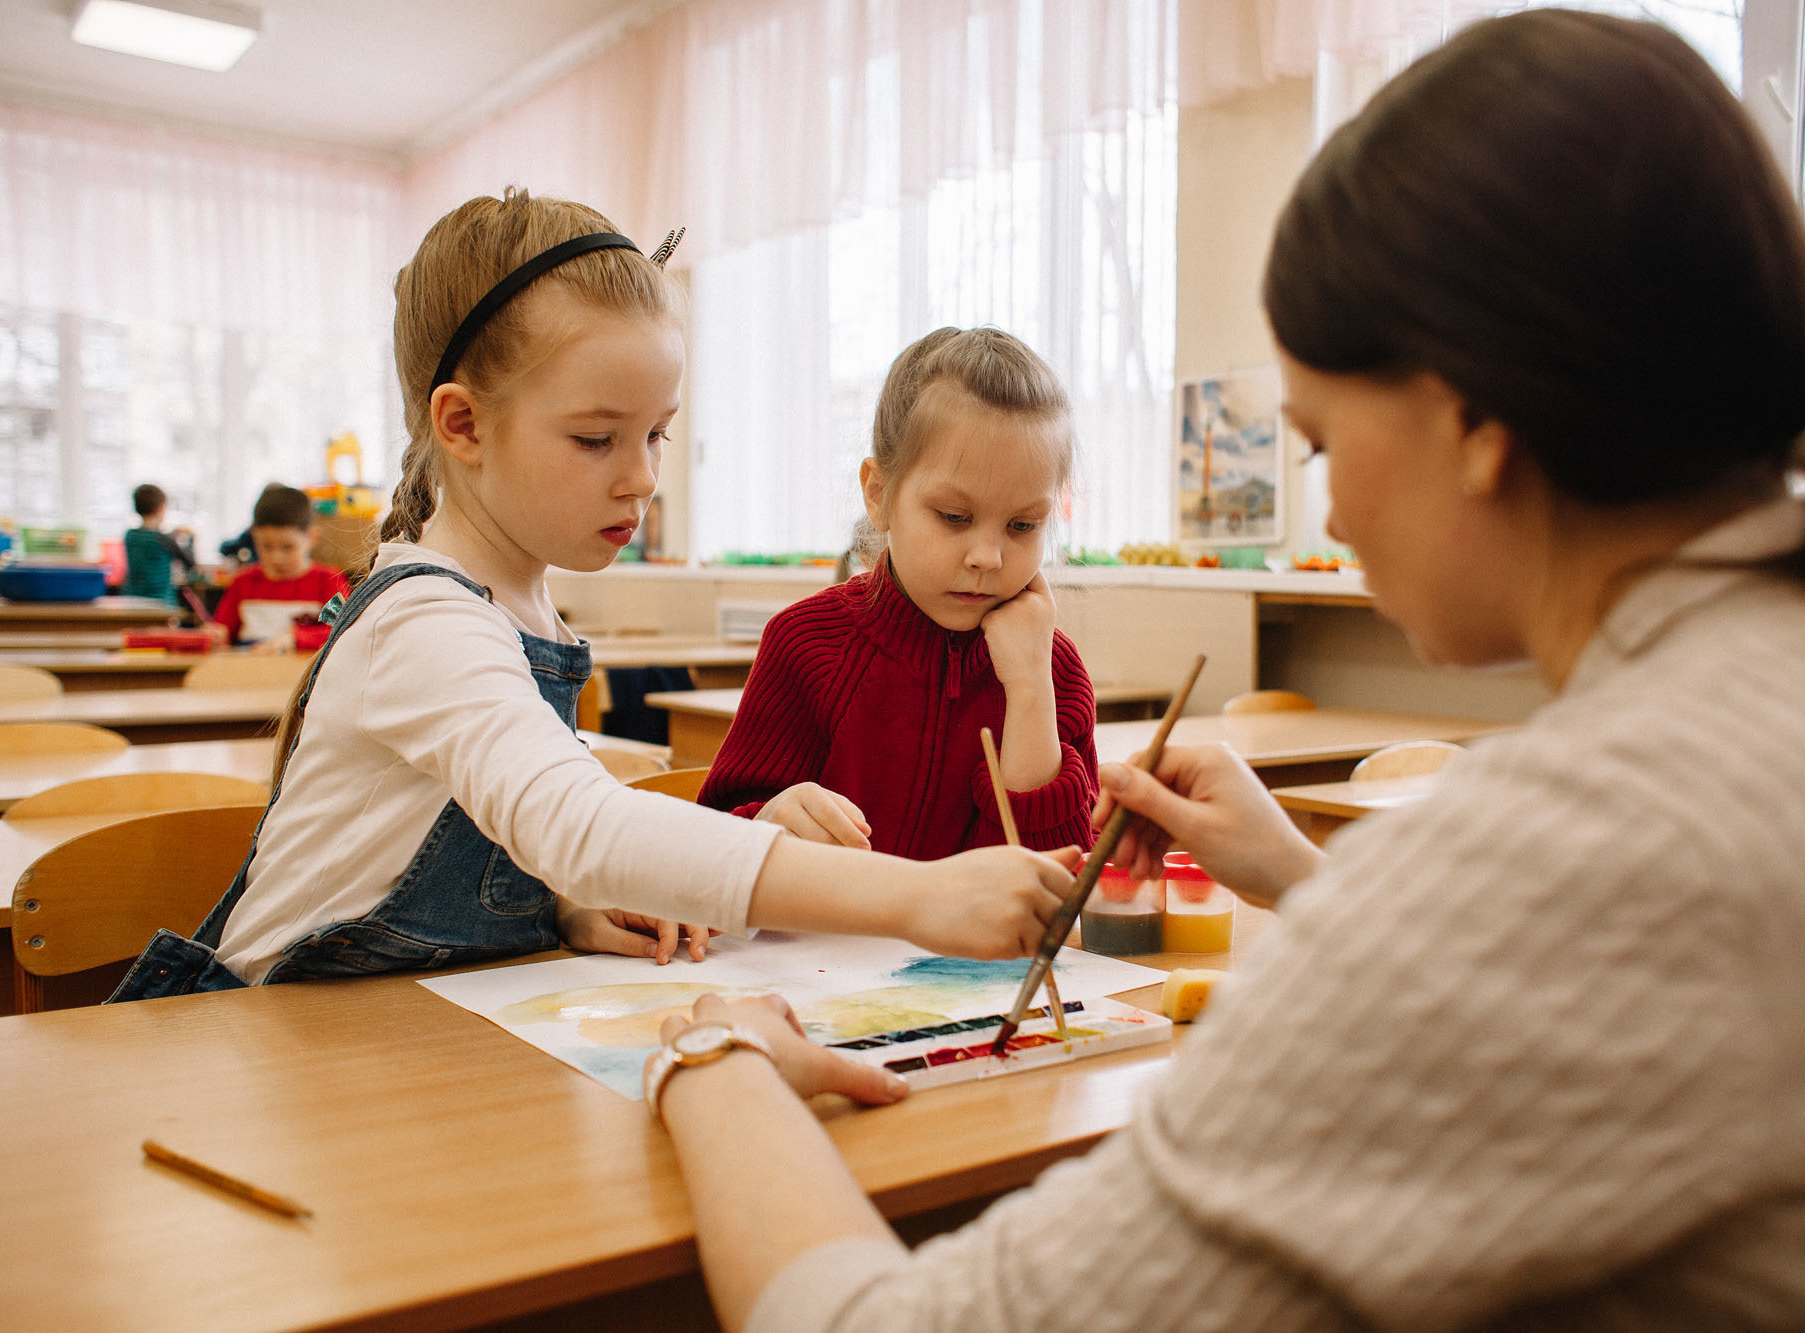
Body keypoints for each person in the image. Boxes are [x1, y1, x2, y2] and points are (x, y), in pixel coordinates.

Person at [646, 12, 1805, 1329]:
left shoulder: (1613, 832)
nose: (1329, 517)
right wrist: (1313, 881)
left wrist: (712, 1056)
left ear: (1473, 423)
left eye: (1323, 442)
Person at [109, 189, 1071, 1002]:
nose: (645, 478)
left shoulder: (523, 613)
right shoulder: (424, 619)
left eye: (657, 434)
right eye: (596, 438)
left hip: (387, 1034)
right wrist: (918, 896)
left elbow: (529, 831)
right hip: (250, 1042)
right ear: (464, 423)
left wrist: (565, 900)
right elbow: (581, 822)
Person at [698, 327, 1099, 858]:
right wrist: (766, 825)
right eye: (955, 517)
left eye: (1023, 525)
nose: (989, 557)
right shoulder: (806, 644)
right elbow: (706, 855)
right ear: (879, 494)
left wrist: (1029, 693)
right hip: (826, 941)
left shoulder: (1057, 671)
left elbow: (1058, 888)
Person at [211, 484, 351, 652]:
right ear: (254, 536)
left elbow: (343, 632)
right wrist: (216, 635)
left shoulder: (328, 580)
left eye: (288, 548)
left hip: (302, 674)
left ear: (312, 537)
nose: (276, 558)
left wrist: (295, 639)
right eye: (266, 546)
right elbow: (222, 629)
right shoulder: (243, 582)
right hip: (247, 670)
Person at [120, 482, 194, 605]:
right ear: (161, 508)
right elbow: (190, 562)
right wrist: (191, 538)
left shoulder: (130, 535)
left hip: (132, 602)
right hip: (161, 604)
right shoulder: (164, 538)